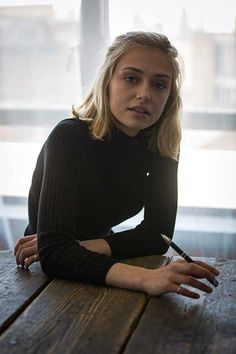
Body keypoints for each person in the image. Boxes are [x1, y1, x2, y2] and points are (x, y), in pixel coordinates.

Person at [14, 31, 219, 299]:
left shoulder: (163, 144)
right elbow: (53, 257)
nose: (144, 94)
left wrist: (76, 247)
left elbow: (157, 235)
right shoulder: (68, 137)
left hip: (97, 263)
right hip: (43, 280)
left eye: (159, 85)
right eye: (131, 78)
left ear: (169, 96)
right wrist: (147, 278)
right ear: (107, 82)